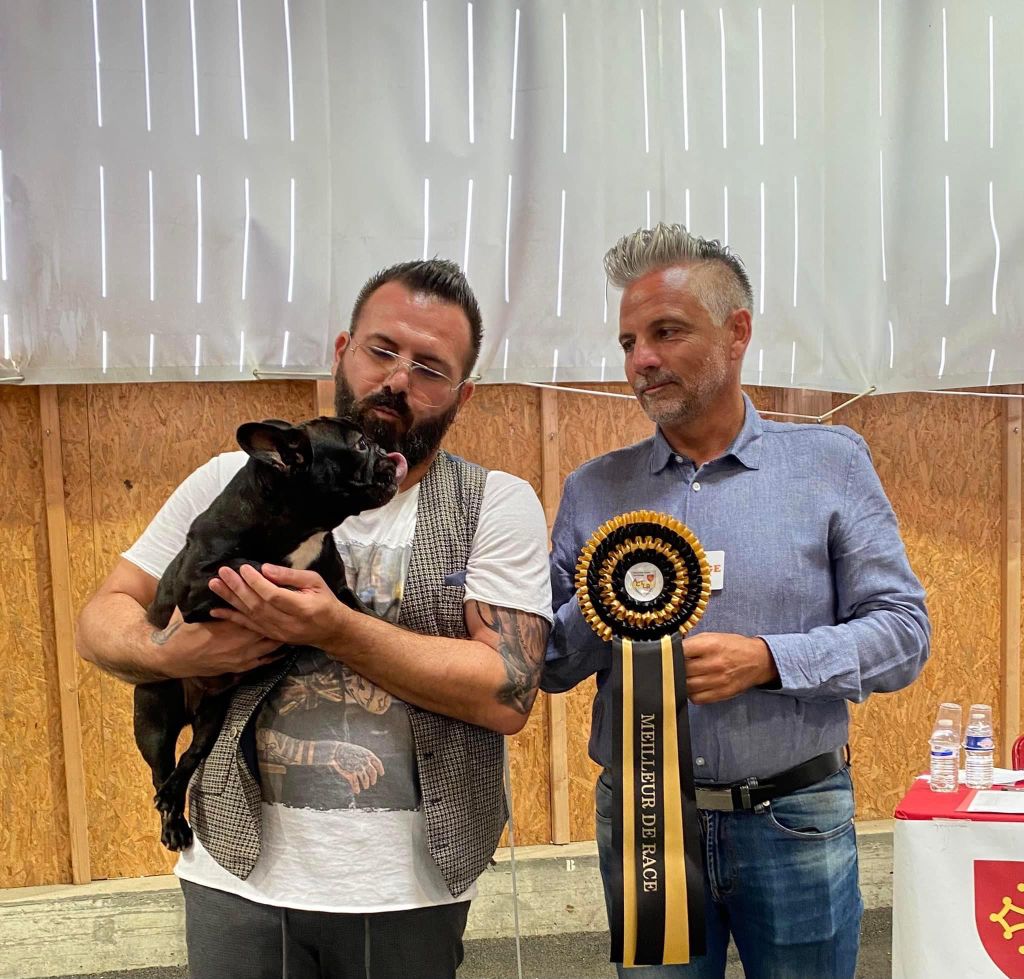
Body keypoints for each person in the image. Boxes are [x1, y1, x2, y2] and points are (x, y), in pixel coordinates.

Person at [76, 259, 553, 979]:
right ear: (342, 351)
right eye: (382, 350)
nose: (398, 379)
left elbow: (506, 692)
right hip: (234, 872)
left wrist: (335, 629)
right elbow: (99, 621)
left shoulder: (495, 502)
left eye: (430, 367)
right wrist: (175, 652)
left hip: (410, 886)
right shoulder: (227, 482)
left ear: (463, 394)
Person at [542, 224, 930, 979]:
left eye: (666, 332)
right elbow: (553, 665)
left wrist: (769, 660)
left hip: (796, 820)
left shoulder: (830, 464)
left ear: (737, 331)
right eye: (628, 342)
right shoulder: (593, 488)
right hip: (643, 826)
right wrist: (608, 602)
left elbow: (903, 633)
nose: (640, 360)